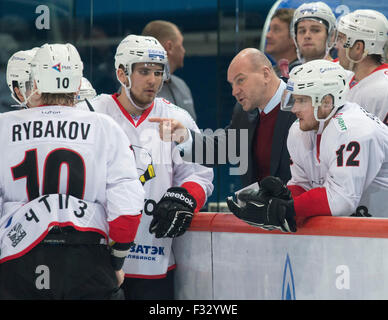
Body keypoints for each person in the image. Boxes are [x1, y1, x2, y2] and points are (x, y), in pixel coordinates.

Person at [0, 43, 145, 299]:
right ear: (78, 85)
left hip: (18, 257)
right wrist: (117, 262)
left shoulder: (3, 127)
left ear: (34, 83)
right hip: (87, 258)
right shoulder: (105, 127)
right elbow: (127, 209)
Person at [77, 34, 213, 300]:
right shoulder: (91, 114)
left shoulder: (176, 117)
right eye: (144, 71)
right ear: (122, 73)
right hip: (97, 261)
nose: (153, 79)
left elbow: (201, 174)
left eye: (158, 71)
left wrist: (185, 197)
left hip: (155, 261)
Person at [227, 59, 388, 233]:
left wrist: (285, 209)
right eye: (294, 99)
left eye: (302, 100)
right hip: (367, 232)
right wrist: (277, 199)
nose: (294, 108)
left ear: (326, 102)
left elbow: (341, 200)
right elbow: (304, 184)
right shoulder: (300, 130)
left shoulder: (353, 129)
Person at [150, 48, 296, 187]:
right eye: (232, 84)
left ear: (266, 74)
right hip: (260, 211)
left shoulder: (300, 106)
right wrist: (184, 136)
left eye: (240, 80)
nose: (234, 92)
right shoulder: (243, 112)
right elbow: (219, 150)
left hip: (297, 210)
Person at [336, 9, 388, 124]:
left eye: (341, 39)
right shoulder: (349, 77)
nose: (336, 46)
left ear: (358, 47)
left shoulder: (383, 90)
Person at [142, 20, 197, 121]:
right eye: (181, 45)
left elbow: (193, 131)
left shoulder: (182, 86)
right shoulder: (135, 90)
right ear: (169, 47)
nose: (184, 50)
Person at [265, 8, 300, 78]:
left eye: (276, 30)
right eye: (270, 29)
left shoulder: (302, 74)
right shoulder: (270, 73)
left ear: (294, 37)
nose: (268, 35)